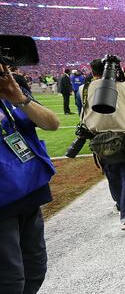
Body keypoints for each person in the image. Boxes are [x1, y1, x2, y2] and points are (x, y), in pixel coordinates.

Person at [0, 62, 60, 294]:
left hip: (28, 192)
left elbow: (51, 123)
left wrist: (19, 98)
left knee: (35, 270)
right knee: (10, 280)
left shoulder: (12, 90)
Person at [80, 59, 125, 231]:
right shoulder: (124, 87)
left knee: (112, 174)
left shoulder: (83, 89)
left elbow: (82, 111)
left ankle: (120, 205)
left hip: (99, 138)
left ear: (92, 71)